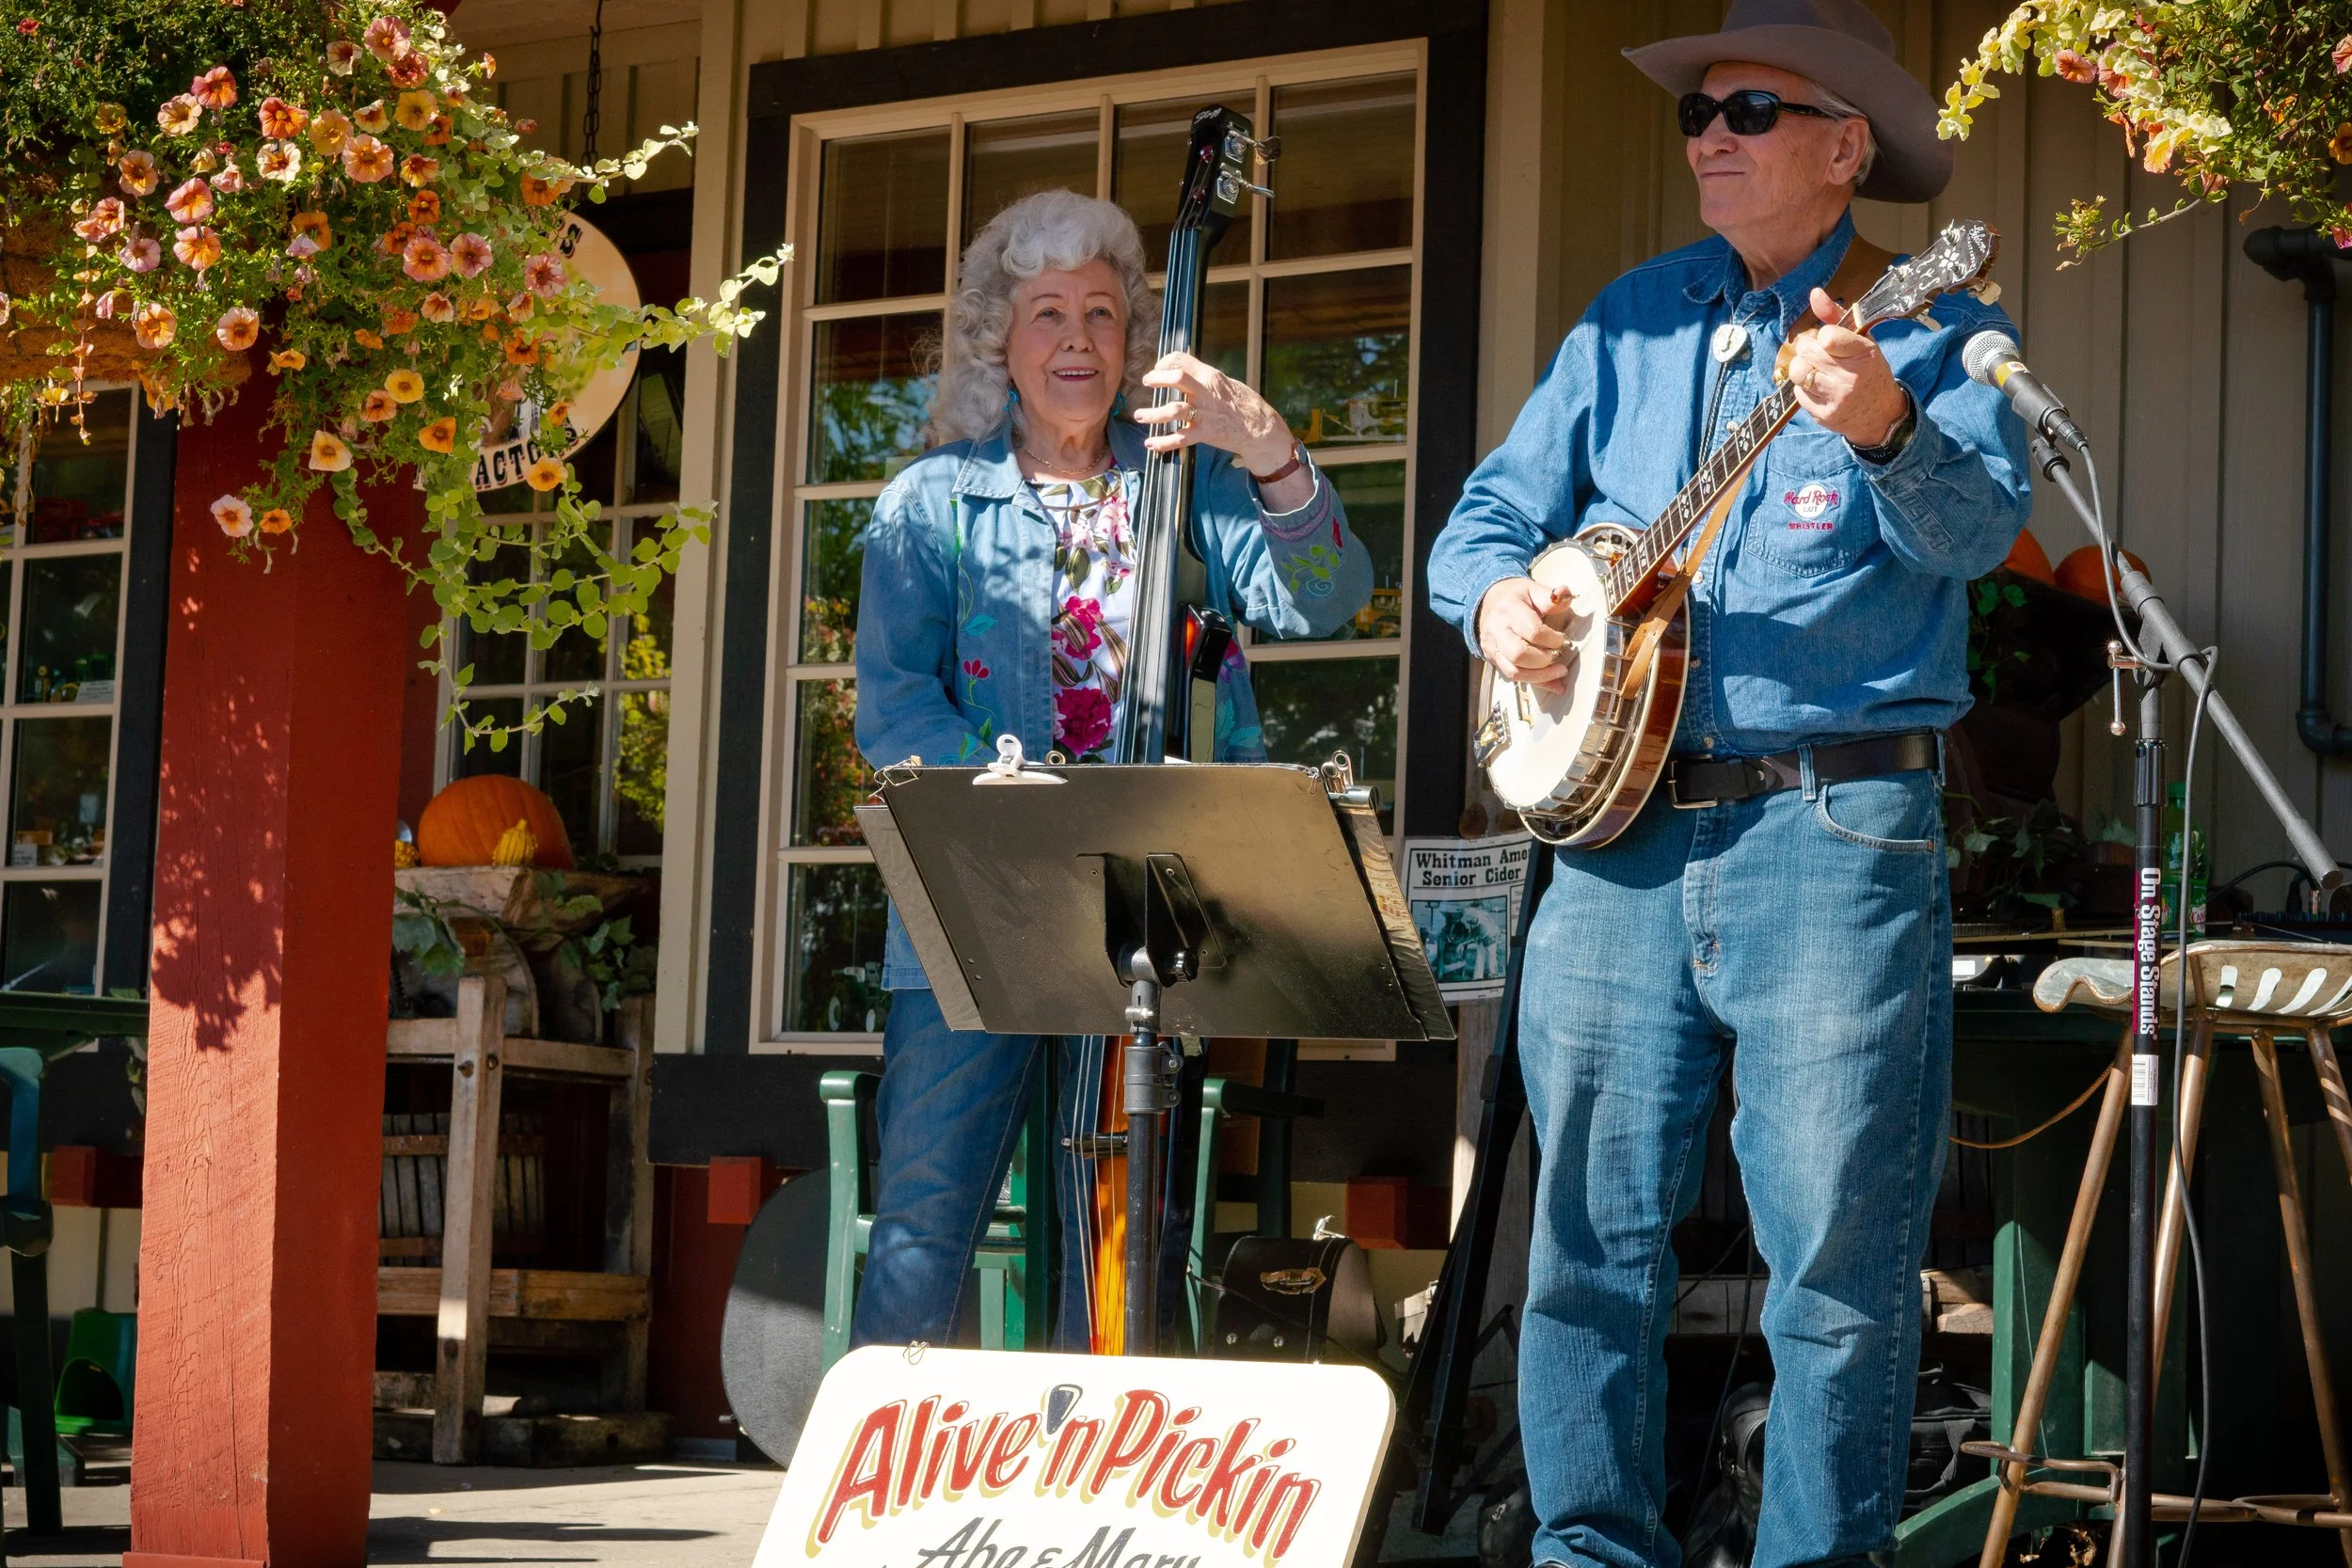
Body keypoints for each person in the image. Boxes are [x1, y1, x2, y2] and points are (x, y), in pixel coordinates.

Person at [1425, 2, 2030, 1563]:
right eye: (1698, 114)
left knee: (1833, 1255)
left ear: (1845, 153)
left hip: (1832, 831)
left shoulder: (1934, 335)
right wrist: (1500, 605)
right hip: (1615, 839)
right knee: (1583, 1245)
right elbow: (1478, 531)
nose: (1709, 135)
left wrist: (1888, 423)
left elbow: (1974, 541)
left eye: (1751, 111)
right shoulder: (1622, 325)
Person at [851, 188, 1371, 1352]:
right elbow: (892, 712)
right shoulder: (925, 507)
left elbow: (1329, 593)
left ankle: (1110, 1472)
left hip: (1150, 898)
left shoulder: (1187, 487)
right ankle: (874, 1497)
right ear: (1001, 339)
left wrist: (1267, 446)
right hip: (981, 893)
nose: (1077, 339)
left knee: (1127, 1216)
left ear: (1134, 341)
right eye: (1046, 314)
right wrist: (1015, 808)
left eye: (1100, 312)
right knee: (926, 1221)